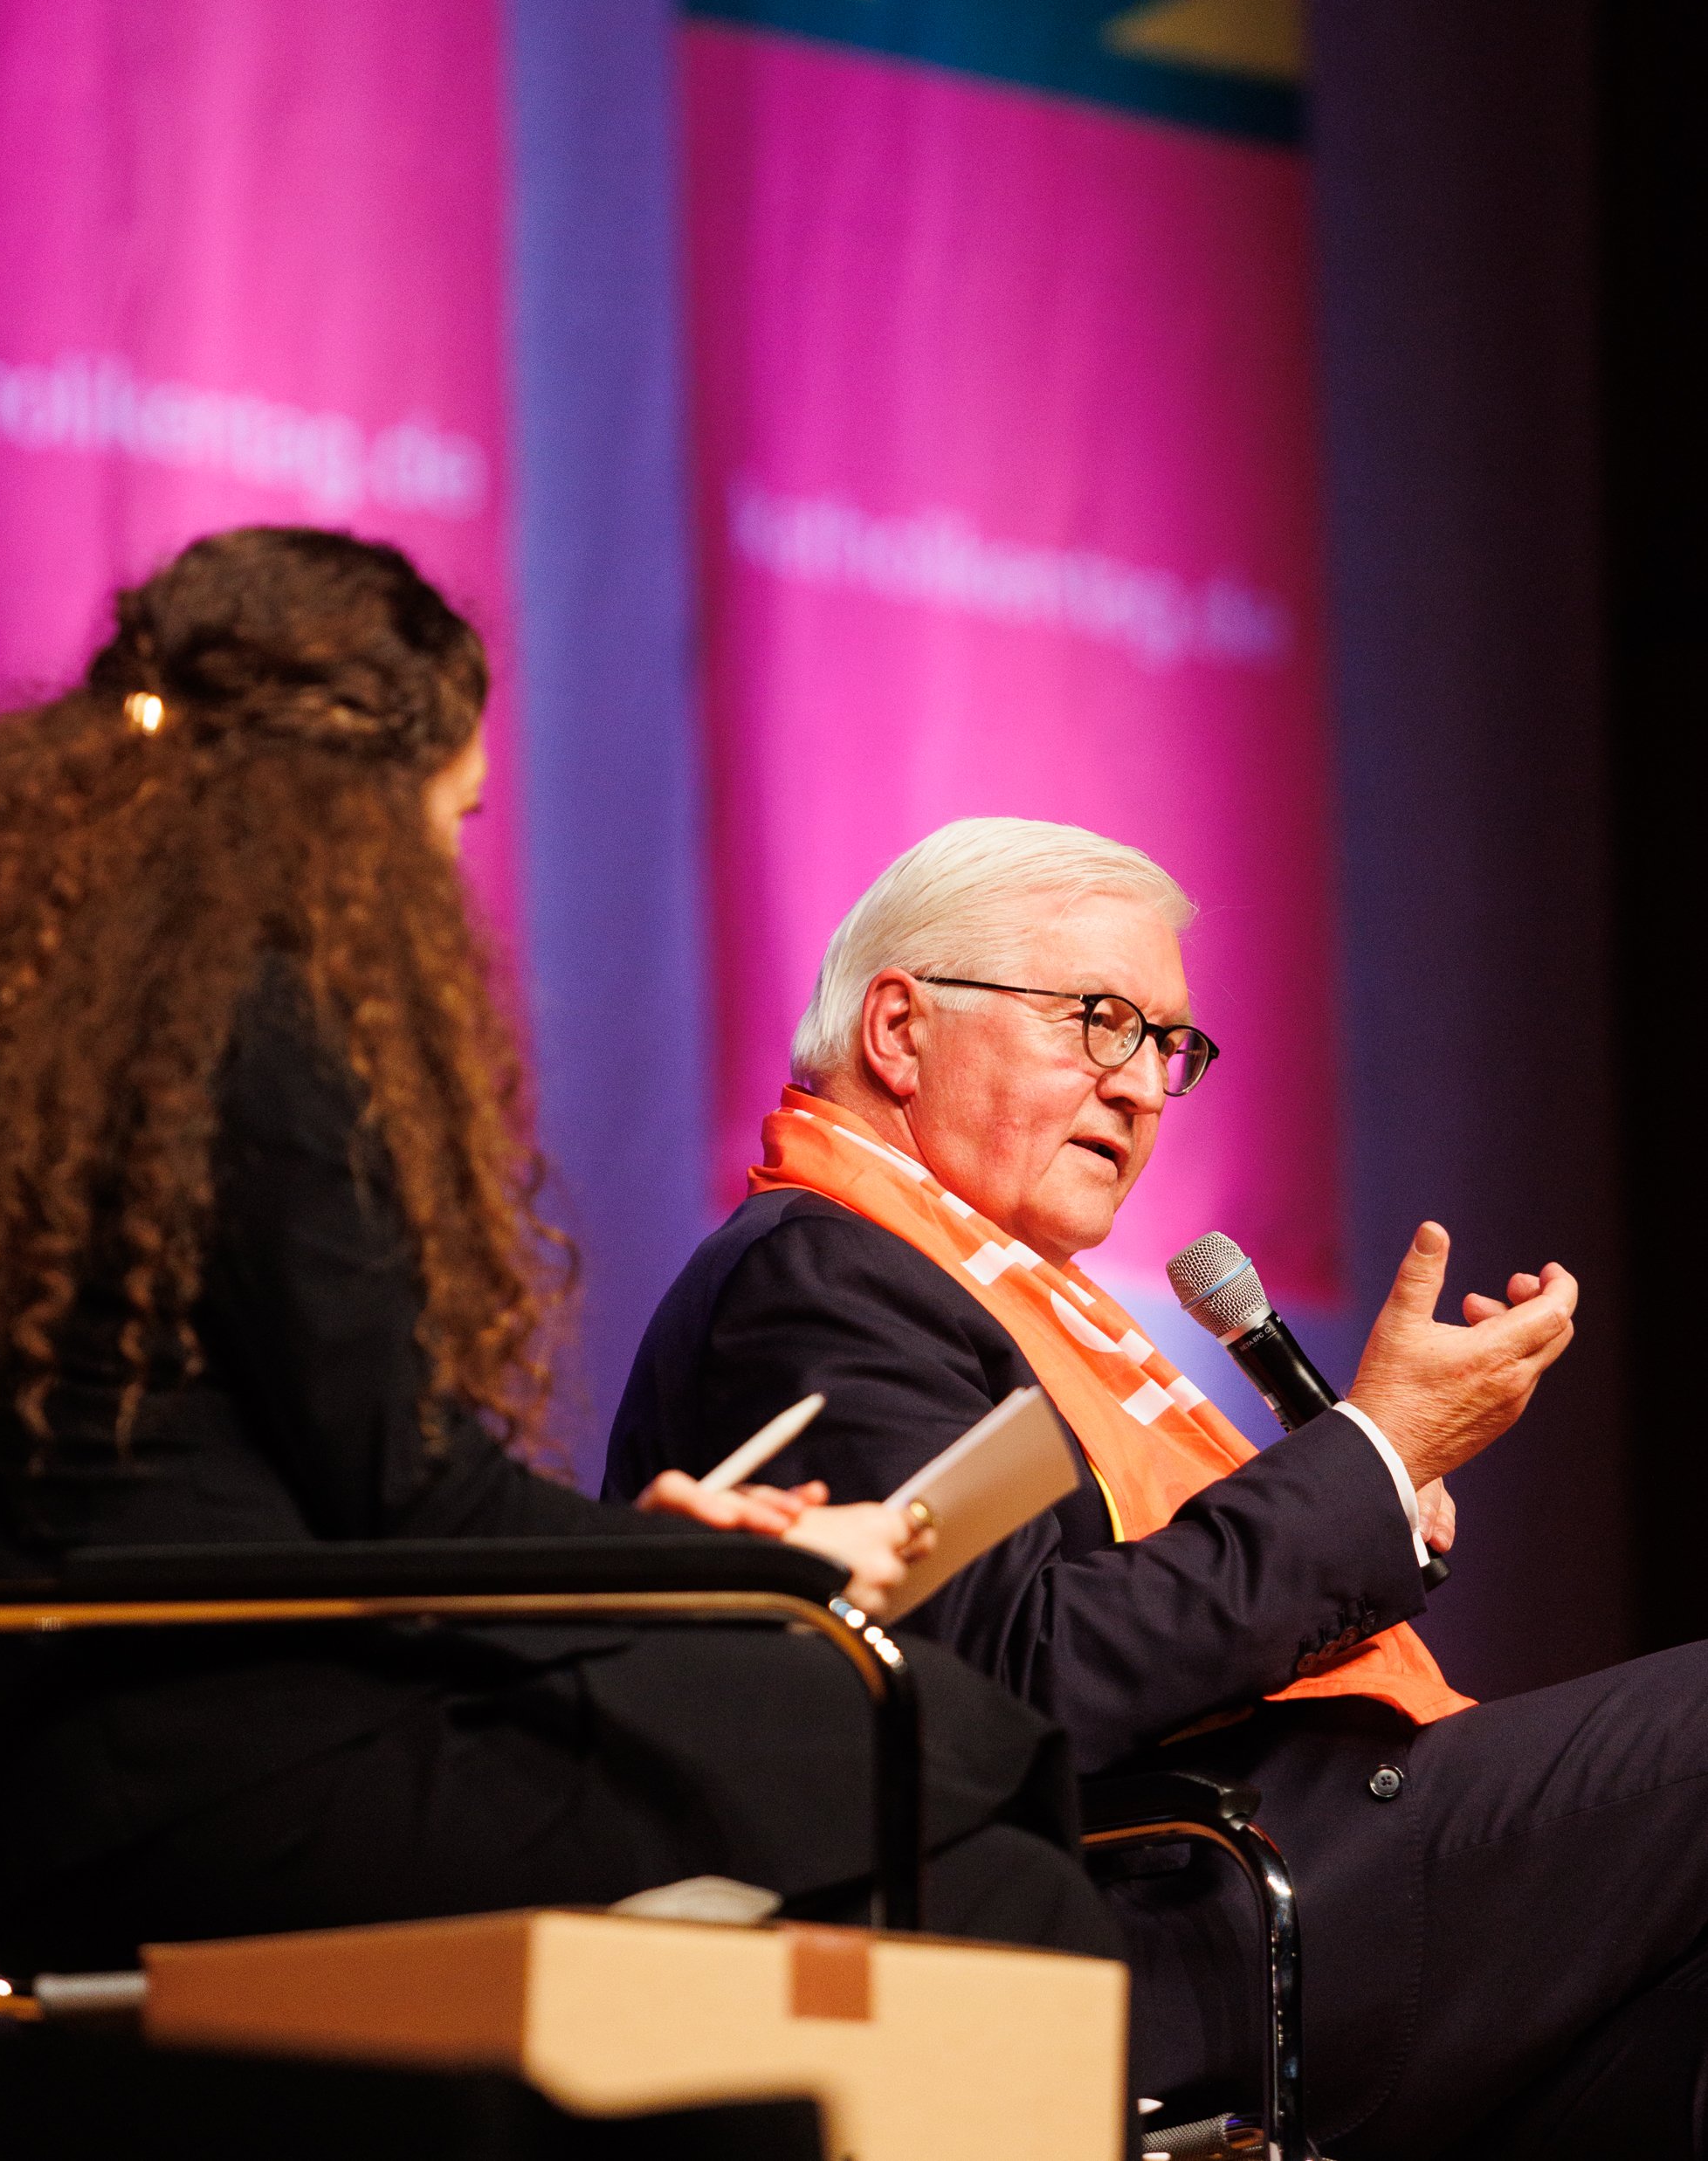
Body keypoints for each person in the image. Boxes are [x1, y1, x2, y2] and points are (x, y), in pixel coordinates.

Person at [0, 542, 1119, 1977]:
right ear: (347, 806)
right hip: (254, 1774)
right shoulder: (256, 1043)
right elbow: (402, 1502)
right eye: (446, 816)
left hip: (96, 1774)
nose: (439, 868)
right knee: (936, 1742)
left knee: (917, 1791)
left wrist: (666, 1548)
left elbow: (308, 1492)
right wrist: (737, 1559)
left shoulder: (36, 1040)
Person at [608, 816, 1708, 2158]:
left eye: (1163, 1043)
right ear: (898, 1032)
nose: (1138, 1086)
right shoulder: (820, 1281)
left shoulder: (998, 1293)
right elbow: (1017, 1677)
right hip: (1177, 1908)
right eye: (1096, 1021)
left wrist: (1366, 1484)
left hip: (1269, 1871)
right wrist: (1370, 1454)